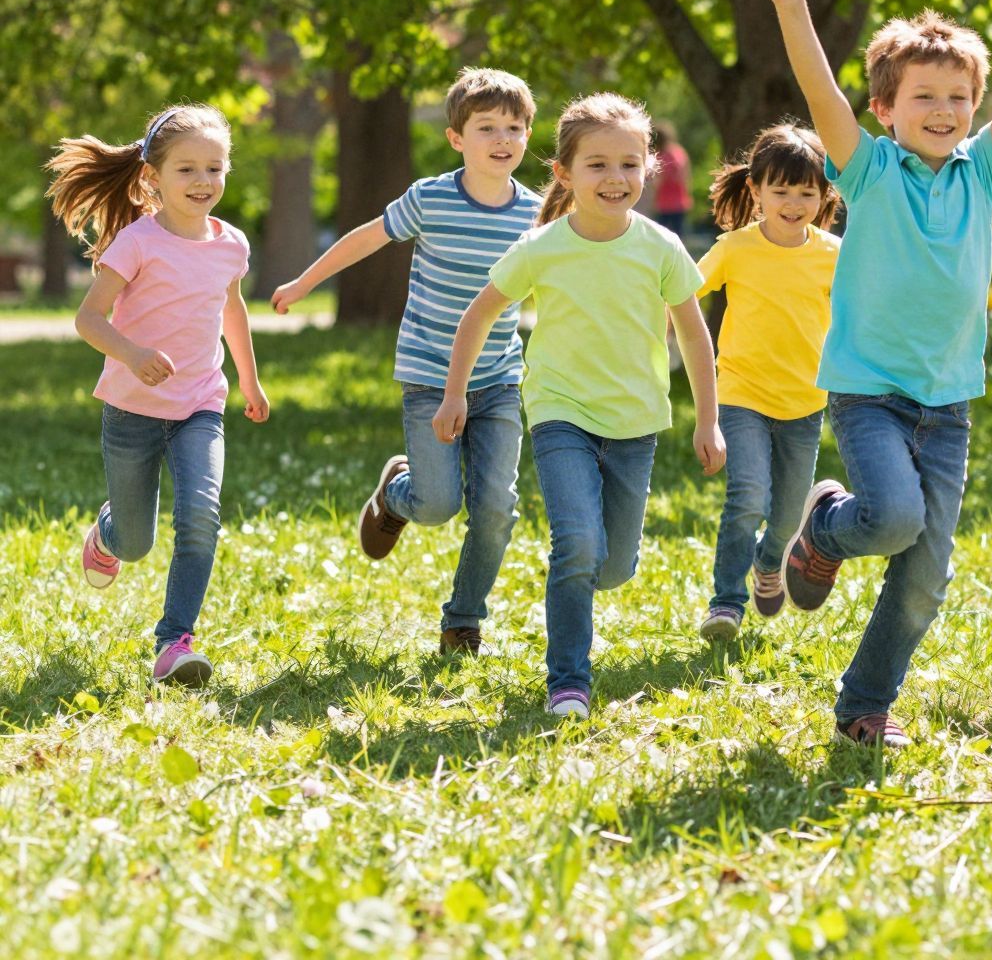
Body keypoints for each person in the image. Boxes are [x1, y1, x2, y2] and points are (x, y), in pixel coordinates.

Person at [749, 0, 992, 749]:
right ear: (886, 109)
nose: (945, 111)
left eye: (959, 98)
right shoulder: (866, 167)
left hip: (948, 404)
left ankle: (864, 705)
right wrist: (793, 7)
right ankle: (826, 525)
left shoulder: (982, 171)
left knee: (926, 577)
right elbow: (820, 92)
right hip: (869, 392)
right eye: (924, 97)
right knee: (893, 520)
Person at [433, 94, 725, 718]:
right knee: (577, 545)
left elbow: (695, 335)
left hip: (636, 420)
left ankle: (577, 585)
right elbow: (480, 315)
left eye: (629, 164)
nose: (615, 178)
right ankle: (568, 680)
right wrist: (455, 392)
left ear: (649, 168)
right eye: (597, 165)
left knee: (613, 565)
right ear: (564, 173)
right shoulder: (543, 246)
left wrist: (709, 418)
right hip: (559, 410)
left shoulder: (661, 247)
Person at [273, 67, 540, 656]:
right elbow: (365, 239)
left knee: (496, 508)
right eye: (487, 126)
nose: (503, 138)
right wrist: (304, 282)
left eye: (515, 127)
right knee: (438, 504)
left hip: (497, 378)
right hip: (427, 375)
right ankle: (397, 492)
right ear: (456, 138)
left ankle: (463, 620)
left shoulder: (539, 216)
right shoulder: (431, 198)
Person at [48, 105, 270, 686]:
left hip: (201, 404)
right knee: (137, 541)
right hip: (131, 411)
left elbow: (232, 310)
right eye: (187, 170)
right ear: (153, 176)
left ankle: (174, 641)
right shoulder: (135, 242)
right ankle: (110, 530)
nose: (203, 182)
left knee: (201, 516)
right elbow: (88, 318)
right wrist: (133, 354)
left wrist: (248, 380)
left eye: (215, 169)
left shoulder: (231, 245)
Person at [694, 124, 842, 641]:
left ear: (825, 196)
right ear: (755, 190)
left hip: (805, 401)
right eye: (780, 191)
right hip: (741, 393)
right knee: (748, 497)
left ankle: (771, 559)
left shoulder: (834, 255)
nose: (794, 202)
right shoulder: (735, 248)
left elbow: (860, 317)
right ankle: (726, 603)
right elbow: (684, 293)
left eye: (807, 192)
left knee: (784, 517)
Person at [651, 123, 693, 239]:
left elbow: (656, 182)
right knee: (678, 235)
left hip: (664, 202)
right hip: (679, 201)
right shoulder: (679, 152)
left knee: (661, 236)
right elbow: (686, 176)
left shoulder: (659, 155)